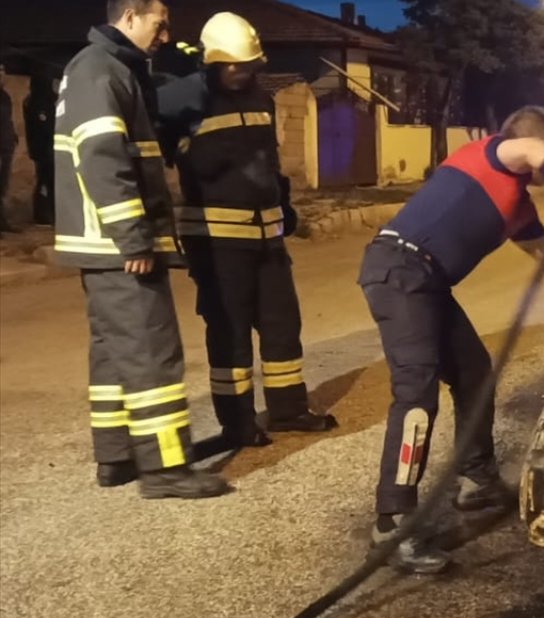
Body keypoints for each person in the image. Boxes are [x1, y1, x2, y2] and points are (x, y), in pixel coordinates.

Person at [358, 106, 544, 574]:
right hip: (399, 269)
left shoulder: (518, 207)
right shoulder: (495, 151)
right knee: (416, 394)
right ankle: (393, 522)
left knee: (475, 375)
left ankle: (477, 481)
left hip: (428, 283)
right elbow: (534, 148)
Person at [53, 0, 229, 498]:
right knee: (152, 351)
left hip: (100, 243)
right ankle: (165, 468)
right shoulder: (103, 70)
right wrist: (133, 235)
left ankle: (117, 456)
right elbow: (102, 159)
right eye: (160, 23)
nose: (166, 35)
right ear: (129, 16)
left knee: (114, 352)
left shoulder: (96, 69)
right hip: (118, 243)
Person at [156, 12, 336, 449]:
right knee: (229, 331)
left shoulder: (260, 98)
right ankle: (237, 425)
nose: (244, 72)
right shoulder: (184, 103)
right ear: (213, 62)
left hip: (266, 237)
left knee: (281, 323)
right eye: (235, 65)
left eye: (249, 64)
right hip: (216, 242)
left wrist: (284, 203)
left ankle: (288, 410)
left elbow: (268, 161)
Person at [24, 73, 57, 226]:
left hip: (42, 149)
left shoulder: (34, 101)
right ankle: (44, 214)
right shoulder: (40, 103)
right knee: (46, 182)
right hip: (45, 149)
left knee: (46, 181)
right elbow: (45, 128)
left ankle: (47, 213)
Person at [0, 63, 16, 235]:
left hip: (6, 145)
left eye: (3, 72)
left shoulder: (4, 97)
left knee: (2, 185)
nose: (1, 75)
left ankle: (2, 221)